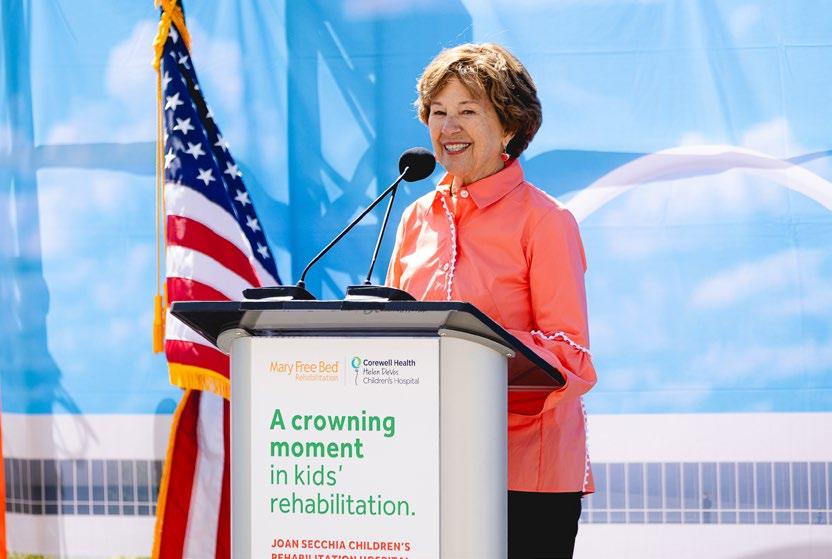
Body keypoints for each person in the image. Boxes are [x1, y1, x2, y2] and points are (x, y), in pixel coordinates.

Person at [386, 43, 597, 558]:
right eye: (438, 112)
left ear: (509, 127)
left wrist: (473, 351)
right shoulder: (415, 219)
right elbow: (390, 336)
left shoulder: (545, 222)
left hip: (523, 475)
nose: (448, 127)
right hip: (426, 468)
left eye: (467, 111)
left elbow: (570, 356)